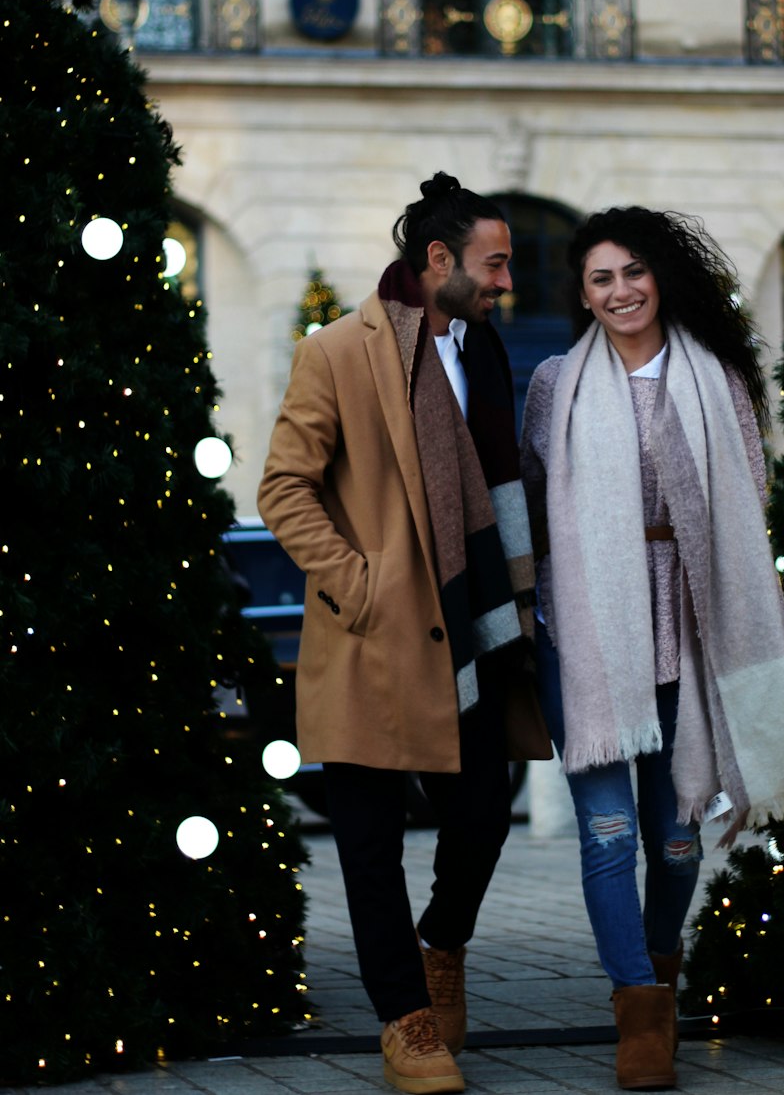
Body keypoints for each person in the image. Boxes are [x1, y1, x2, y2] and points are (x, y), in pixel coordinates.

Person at [259, 174, 550, 1095]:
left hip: (468, 637)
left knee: (479, 821)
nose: (506, 280)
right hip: (373, 641)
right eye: (495, 262)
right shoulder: (338, 352)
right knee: (368, 843)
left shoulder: (487, 355)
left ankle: (443, 946)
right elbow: (282, 488)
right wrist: (360, 585)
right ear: (438, 260)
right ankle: (406, 1022)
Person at [520, 207, 784, 1092]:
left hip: (689, 627)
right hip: (588, 635)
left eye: (634, 272)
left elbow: (749, 518)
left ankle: (660, 964)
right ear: (582, 294)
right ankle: (640, 1013)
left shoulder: (716, 379)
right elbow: (533, 517)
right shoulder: (553, 387)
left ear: (661, 278)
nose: (621, 291)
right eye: (601, 279)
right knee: (609, 836)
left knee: (678, 844)